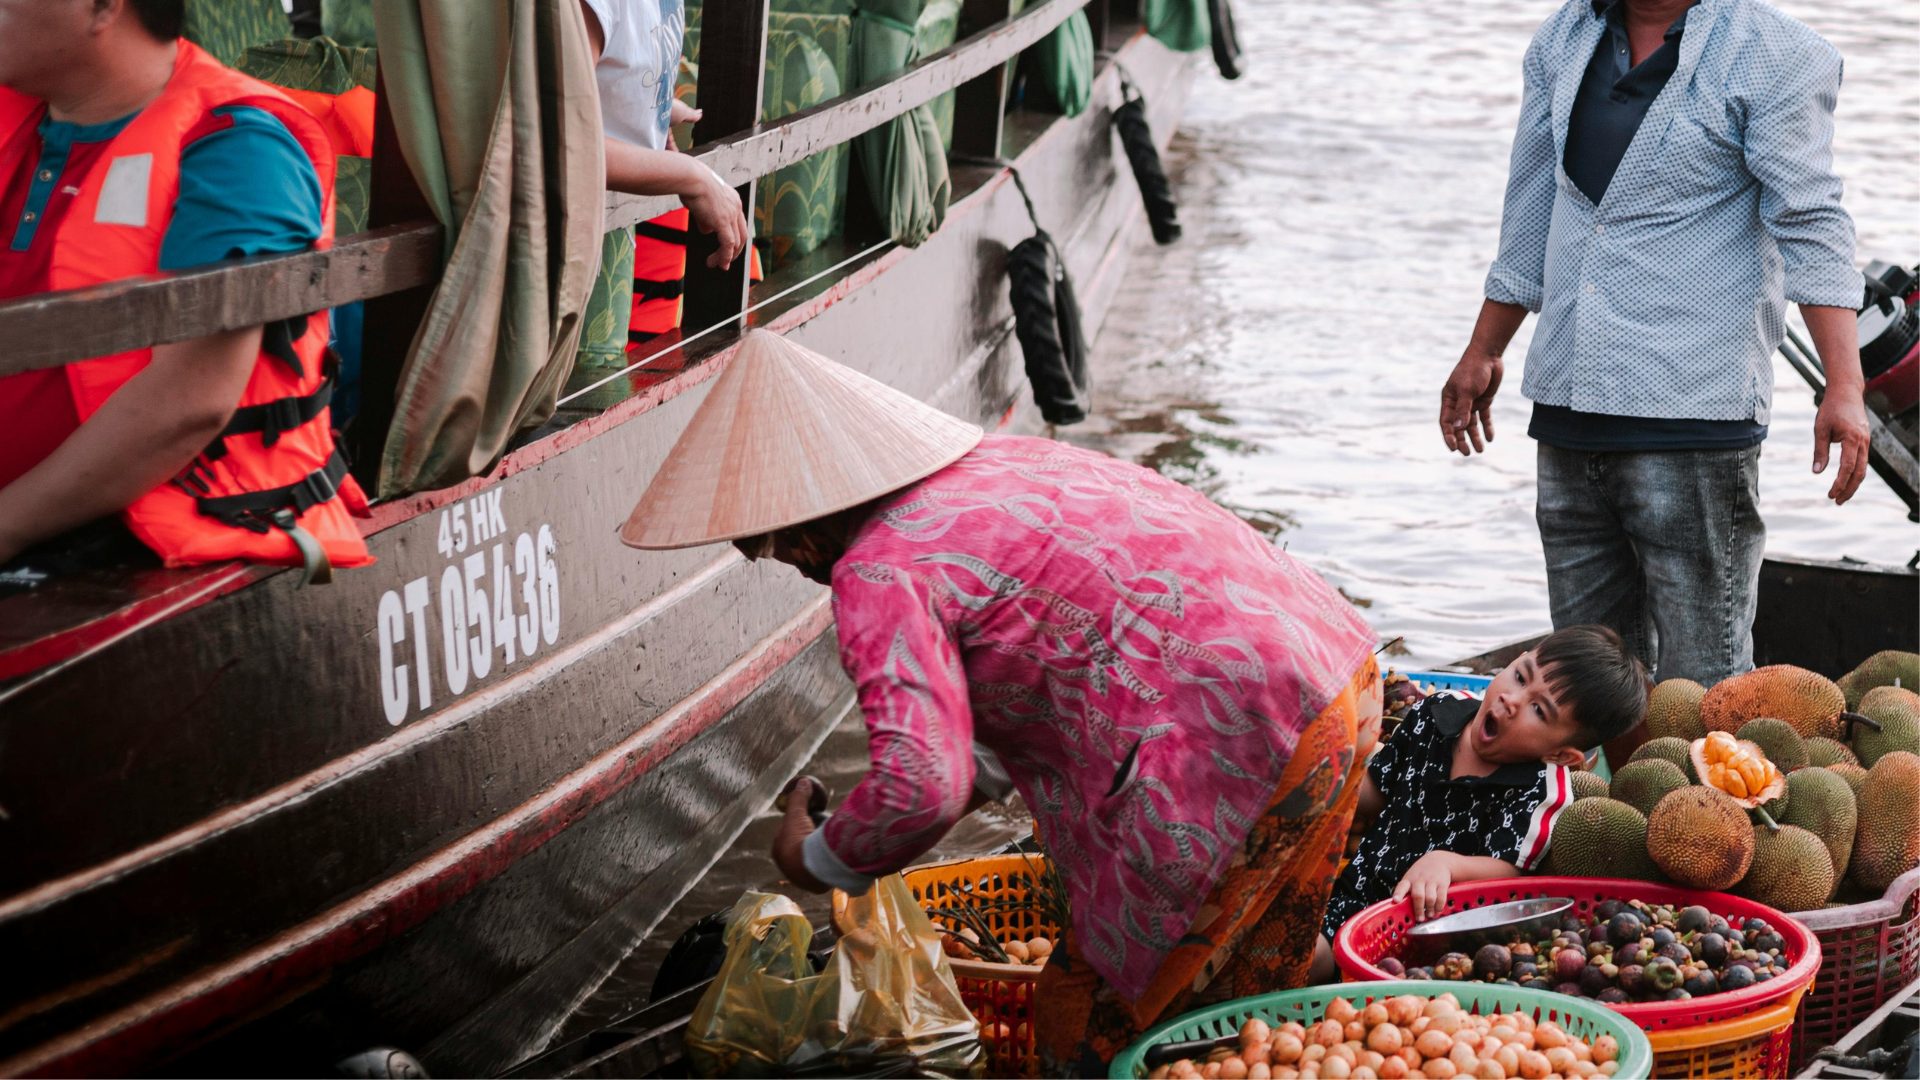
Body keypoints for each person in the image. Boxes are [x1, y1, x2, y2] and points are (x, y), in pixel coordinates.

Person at [621, 330, 1384, 1073]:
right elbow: (997, 710)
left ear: (803, 519)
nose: (788, 565)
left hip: (1241, 747)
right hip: (1335, 684)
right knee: (1241, 1016)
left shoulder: (878, 570)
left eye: (773, 544)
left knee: (1079, 1030)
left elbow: (924, 784)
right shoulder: (1004, 463)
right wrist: (885, 809)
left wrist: (816, 858)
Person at [1438, 0, 1872, 686]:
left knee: (1705, 685)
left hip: (1692, 417)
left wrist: (1843, 386)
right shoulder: (1563, 38)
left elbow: (1811, 222)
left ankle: (1712, 799)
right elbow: (1531, 209)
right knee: (1584, 683)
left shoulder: (1776, 53)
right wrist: (1483, 350)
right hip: (1568, 404)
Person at [0, 0, 371, 578]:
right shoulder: (17, 125)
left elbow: (190, 400)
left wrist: (5, 526)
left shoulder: (237, 147)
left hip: (125, 546)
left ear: (104, 7)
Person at [1311, 626, 1649, 981]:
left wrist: (1448, 864)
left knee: (1306, 959)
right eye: (1520, 676)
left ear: (1560, 753)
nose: (1512, 699)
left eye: (1538, 709)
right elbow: (1379, 788)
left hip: (1415, 935)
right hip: (1355, 887)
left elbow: (1511, 869)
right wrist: (1328, 785)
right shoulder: (1437, 711)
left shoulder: (1541, 790)